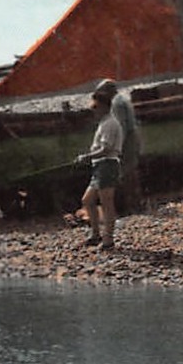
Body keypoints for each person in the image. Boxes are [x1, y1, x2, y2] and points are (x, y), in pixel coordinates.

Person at [75, 82, 124, 249]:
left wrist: (87, 157)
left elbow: (107, 149)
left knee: (106, 203)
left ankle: (108, 240)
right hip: (100, 167)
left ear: (103, 106)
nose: (92, 109)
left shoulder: (110, 123)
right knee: (87, 200)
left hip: (107, 165)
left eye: (95, 106)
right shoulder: (104, 122)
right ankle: (95, 235)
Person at [92, 79, 143, 212]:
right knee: (130, 170)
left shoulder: (116, 104)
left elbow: (122, 127)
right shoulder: (122, 99)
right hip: (132, 136)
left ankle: (133, 205)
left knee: (127, 172)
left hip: (128, 140)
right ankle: (135, 203)